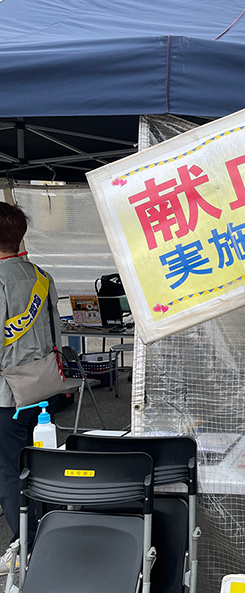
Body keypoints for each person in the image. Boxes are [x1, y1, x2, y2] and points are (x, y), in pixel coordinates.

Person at [0, 202, 60, 574]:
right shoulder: (42, 277)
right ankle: (49, 532)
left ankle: (27, 545)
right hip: (43, 388)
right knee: (41, 464)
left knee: (9, 471)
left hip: (5, 397)